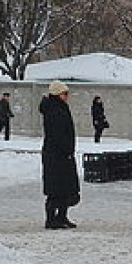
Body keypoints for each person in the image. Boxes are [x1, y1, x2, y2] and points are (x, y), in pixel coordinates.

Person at [40, 80, 80, 230]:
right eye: (64, 93)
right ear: (57, 94)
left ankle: (62, 216)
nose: (67, 96)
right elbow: (57, 133)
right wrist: (66, 148)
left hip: (64, 153)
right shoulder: (53, 109)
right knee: (55, 188)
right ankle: (51, 219)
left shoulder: (61, 107)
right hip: (55, 154)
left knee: (66, 188)